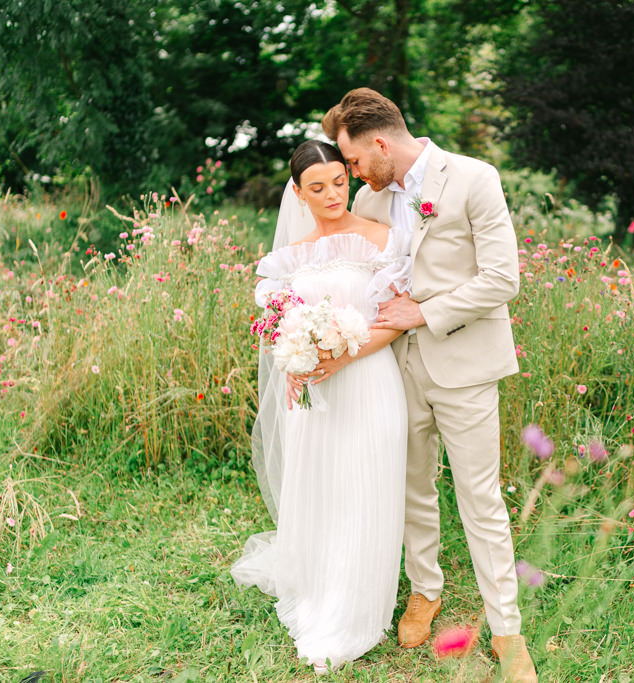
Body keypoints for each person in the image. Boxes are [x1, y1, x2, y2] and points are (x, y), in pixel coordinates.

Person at [322, 88, 538, 683]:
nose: (353, 174)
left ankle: (506, 630)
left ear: (382, 143)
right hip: (394, 369)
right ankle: (426, 590)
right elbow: (341, 265)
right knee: (413, 483)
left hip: (465, 365)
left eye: (357, 161)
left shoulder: (473, 179)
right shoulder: (369, 199)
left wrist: (423, 312)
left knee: (481, 498)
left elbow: (503, 279)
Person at [230, 140, 411, 675]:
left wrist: (342, 355)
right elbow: (280, 326)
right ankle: (320, 589)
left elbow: (397, 317)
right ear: (297, 192)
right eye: (317, 187)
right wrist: (296, 361)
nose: (332, 194)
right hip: (314, 395)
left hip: (371, 383)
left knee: (365, 487)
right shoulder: (287, 261)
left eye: (339, 181)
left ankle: (356, 608)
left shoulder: (384, 241)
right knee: (325, 488)